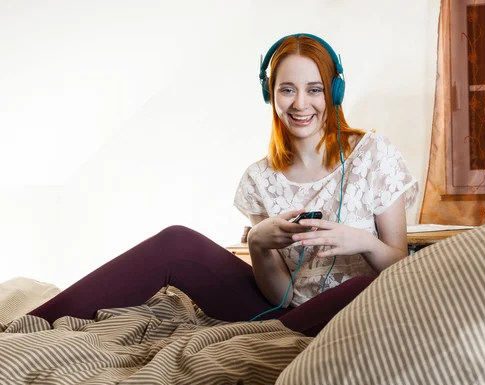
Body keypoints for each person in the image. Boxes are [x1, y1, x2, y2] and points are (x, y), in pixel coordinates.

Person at [29, 33, 418, 337]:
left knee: (364, 287)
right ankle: (29, 324)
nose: (301, 104)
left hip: (357, 308)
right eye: (287, 89)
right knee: (177, 241)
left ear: (333, 92)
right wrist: (259, 244)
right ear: (271, 93)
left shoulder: (373, 154)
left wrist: (363, 243)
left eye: (314, 89)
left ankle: (268, 338)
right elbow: (280, 296)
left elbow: (401, 266)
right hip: (288, 313)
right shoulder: (259, 178)